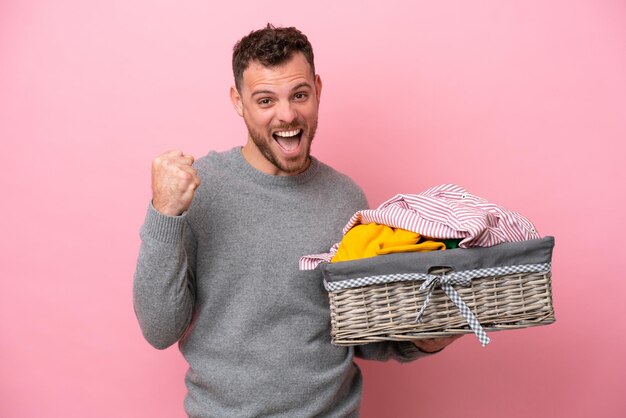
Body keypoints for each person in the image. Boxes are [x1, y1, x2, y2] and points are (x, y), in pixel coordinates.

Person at [133, 24, 460, 418]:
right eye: (265, 100)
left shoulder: (346, 198)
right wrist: (164, 214)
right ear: (238, 102)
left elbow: (359, 331)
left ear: (318, 91)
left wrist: (428, 339)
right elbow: (159, 329)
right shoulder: (196, 190)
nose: (287, 114)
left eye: (299, 95)